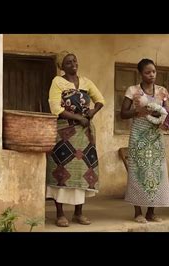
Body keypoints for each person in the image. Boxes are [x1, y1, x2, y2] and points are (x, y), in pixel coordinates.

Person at [46, 51, 105, 227]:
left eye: (74, 60)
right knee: (61, 171)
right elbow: (55, 108)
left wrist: (92, 113)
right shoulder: (57, 82)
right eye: (68, 62)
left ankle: (78, 213)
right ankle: (60, 214)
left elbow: (100, 100)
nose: (73, 63)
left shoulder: (86, 82)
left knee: (83, 173)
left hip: (85, 135)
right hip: (64, 132)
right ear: (61, 66)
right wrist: (79, 118)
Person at [120, 59, 169, 223]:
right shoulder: (132, 90)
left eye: (154, 71)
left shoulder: (162, 91)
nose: (152, 75)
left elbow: (168, 113)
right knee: (137, 172)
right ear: (140, 73)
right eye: (148, 72)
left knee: (155, 172)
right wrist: (137, 111)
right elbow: (123, 113)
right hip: (138, 136)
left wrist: (161, 115)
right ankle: (137, 212)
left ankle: (151, 212)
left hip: (155, 136)